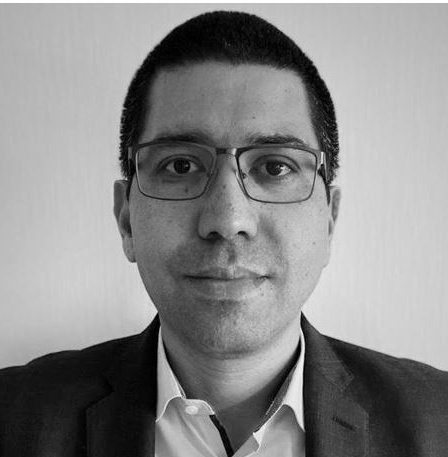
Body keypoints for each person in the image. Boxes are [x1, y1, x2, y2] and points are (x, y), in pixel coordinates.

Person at [0, 10, 447, 457]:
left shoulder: (438, 420)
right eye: (181, 165)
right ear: (126, 218)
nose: (229, 219)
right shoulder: (12, 418)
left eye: (275, 167)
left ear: (329, 219)